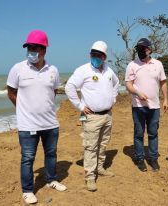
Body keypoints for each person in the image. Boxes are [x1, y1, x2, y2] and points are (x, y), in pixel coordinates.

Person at [7, 30, 67, 204]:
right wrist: (24, 109)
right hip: (28, 125)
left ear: (44, 50)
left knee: (51, 154)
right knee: (27, 158)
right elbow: (11, 93)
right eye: (29, 47)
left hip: (50, 123)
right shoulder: (17, 69)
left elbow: (52, 92)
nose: (31, 51)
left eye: (35, 47)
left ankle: (51, 180)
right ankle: (27, 190)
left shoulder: (53, 70)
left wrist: (42, 108)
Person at [65, 41, 119, 192]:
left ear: (104, 57)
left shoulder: (108, 70)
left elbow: (116, 83)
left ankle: (100, 168)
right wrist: (80, 106)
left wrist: (113, 99)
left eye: (98, 55)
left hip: (107, 115)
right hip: (91, 117)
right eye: (92, 54)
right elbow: (69, 87)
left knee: (103, 144)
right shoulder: (83, 70)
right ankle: (90, 176)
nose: (95, 57)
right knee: (91, 147)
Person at [125, 38, 168, 172]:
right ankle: (140, 158)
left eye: (143, 48)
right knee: (139, 133)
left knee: (153, 132)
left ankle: (153, 158)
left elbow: (163, 82)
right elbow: (128, 84)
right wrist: (137, 92)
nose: (141, 51)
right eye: (139, 48)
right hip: (138, 106)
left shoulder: (158, 64)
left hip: (154, 106)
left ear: (150, 49)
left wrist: (166, 99)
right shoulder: (132, 65)